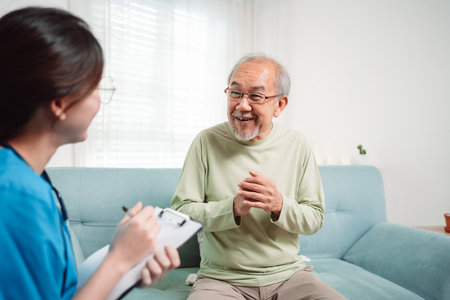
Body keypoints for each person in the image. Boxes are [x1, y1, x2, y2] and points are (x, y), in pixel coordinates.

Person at [0, 7, 179, 299]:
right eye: (95, 85)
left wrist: (127, 264)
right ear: (59, 102)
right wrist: (118, 259)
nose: (99, 100)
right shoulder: (16, 195)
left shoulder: (27, 177)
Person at [170, 54, 346, 299]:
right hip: (222, 278)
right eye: (235, 93)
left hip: (288, 276)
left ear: (280, 105)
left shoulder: (298, 145)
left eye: (256, 96)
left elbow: (314, 218)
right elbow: (181, 213)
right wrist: (230, 209)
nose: (242, 105)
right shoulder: (206, 141)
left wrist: (279, 205)